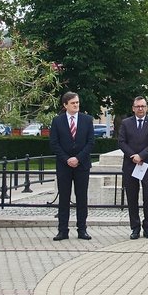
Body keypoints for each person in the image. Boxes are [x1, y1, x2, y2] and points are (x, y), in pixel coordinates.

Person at [49, 91, 95, 241]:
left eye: (77, 103)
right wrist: (67, 159)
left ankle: (82, 229)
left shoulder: (87, 120)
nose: (76, 105)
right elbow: (54, 143)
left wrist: (78, 158)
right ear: (65, 105)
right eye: (73, 103)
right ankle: (62, 230)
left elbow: (90, 143)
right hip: (64, 166)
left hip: (82, 165)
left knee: (82, 198)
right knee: (64, 198)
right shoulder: (57, 121)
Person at [117, 96, 148, 239]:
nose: (140, 109)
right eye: (138, 106)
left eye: (143, 106)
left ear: (146, 108)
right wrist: (133, 156)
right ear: (133, 108)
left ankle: (147, 227)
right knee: (132, 197)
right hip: (130, 165)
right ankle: (134, 228)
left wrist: (141, 156)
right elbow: (122, 142)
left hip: (146, 165)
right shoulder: (125, 123)